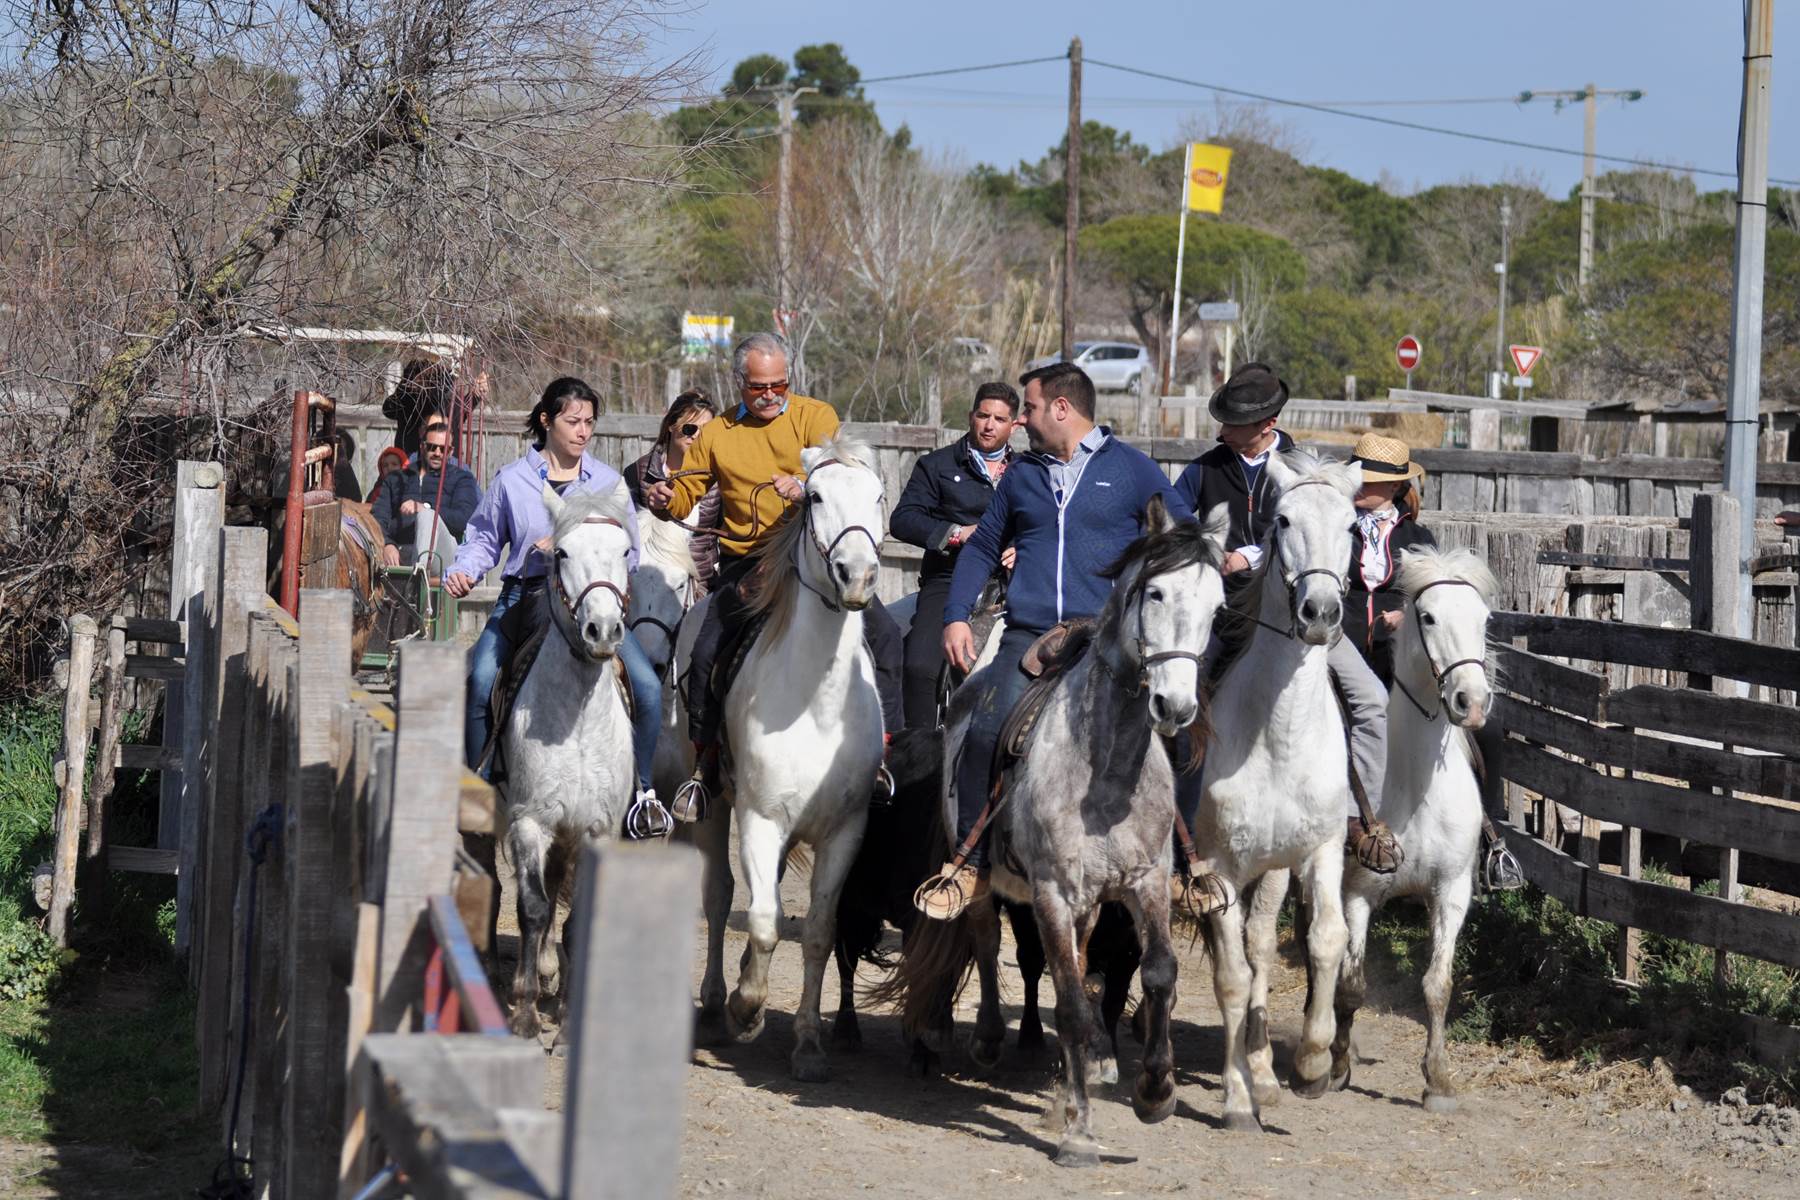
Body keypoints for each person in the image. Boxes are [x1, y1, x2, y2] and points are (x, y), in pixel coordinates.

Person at [918, 361, 1193, 920]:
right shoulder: (1021, 477)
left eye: (1031, 408)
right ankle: (970, 864)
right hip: (1029, 637)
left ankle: (1187, 866)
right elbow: (979, 547)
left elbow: (1182, 538)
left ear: (1062, 409)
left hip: (1110, 640)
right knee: (982, 729)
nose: (1022, 420)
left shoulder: (1134, 470)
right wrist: (953, 616)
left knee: (1181, 735)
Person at [645, 332, 905, 801]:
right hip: (748, 562)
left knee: (885, 636)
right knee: (704, 652)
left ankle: (889, 753)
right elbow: (686, 493)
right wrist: (665, 499)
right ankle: (704, 764)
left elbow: (837, 467)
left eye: (779, 385)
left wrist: (805, 484)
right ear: (738, 383)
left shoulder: (816, 416)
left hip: (814, 558)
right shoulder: (716, 434)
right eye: (758, 386)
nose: (769, 395)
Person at [1172, 363, 1400, 873]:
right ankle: (1180, 829)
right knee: (1185, 704)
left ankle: (1357, 821)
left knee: (1371, 702)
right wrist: (1210, 549)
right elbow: (1176, 518)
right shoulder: (1206, 470)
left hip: (1303, 613)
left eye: (1232, 421)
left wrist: (1250, 557)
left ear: (1267, 425)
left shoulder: (1306, 471)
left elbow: (1324, 536)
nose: (1221, 429)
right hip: (1227, 612)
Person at [444, 377, 665, 820]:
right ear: (546, 421)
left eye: (589, 423)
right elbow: (485, 538)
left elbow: (633, 552)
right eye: (572, 421)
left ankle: (642, 794)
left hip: (590, 605)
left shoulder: (607, 484)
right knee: (481, 678)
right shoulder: (512, 480)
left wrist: (589, 555)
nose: (582, 431)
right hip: (524, 597)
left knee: (648, 687)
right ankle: (480, 789)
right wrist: (464, 569)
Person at [890, 381, 1021, 728]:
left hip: (1013, 580)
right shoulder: (936, 465)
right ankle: (916, 753)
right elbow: (902, 519)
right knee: (919, 665)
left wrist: (1023, 547)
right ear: (971, 416)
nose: (989, 425)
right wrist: (955, 533)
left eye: (999, 419)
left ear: (1014, 425)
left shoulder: (1028, 470)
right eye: (983, 415)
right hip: (948, 577)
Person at [625, 390, 723, 594]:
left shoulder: (720, 476)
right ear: (671, 426)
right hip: (651, 586)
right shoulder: (637, 473)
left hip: (703, 583)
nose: (696, 436)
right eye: (689, 428)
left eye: (705, 431)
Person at [371, 421, 480, 568]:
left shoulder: (461, 478)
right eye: (431, 447)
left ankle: (419, 576)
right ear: (422, 446)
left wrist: (426, 507)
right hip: (401, 550)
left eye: (443, 449)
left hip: (442, 555)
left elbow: (463, 518)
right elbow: (378, 517)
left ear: (451, 451)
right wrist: (387, 544)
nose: (437, 453)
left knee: (427, 515)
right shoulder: (397, 478)